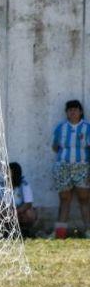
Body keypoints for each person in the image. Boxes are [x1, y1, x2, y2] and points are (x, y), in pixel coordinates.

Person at [51, 99, 90, 238]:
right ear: (66, 113)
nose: (72, 112)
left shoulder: (87, 128)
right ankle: (60, 233)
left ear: (81, 112)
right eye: (70, 110)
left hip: (82, 167)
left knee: (84, 199)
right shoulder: (60, 128)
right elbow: (55, 146)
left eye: (75, 109)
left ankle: (88, 231)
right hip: (63, 167)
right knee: (64, 199)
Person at [9, 162, 37, 237]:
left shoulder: (24, 184)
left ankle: (25, 231)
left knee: (29, 213)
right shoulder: (2, 185)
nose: (6, 175)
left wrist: (16, 211)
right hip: (8, 210)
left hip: (20, 210)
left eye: (9, 173)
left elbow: (28, 203)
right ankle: (5, 232)